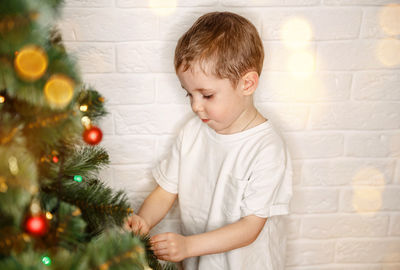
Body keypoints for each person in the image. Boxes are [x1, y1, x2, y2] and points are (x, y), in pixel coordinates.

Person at [125, 11, 293, 270]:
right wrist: (143, 220)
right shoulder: (192, 133)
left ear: (247, 84)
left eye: (207, 95)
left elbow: (250, 228)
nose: (195, 106)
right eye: (189, 94)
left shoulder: (267, 149)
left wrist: (188, 246)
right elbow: (167, 190)